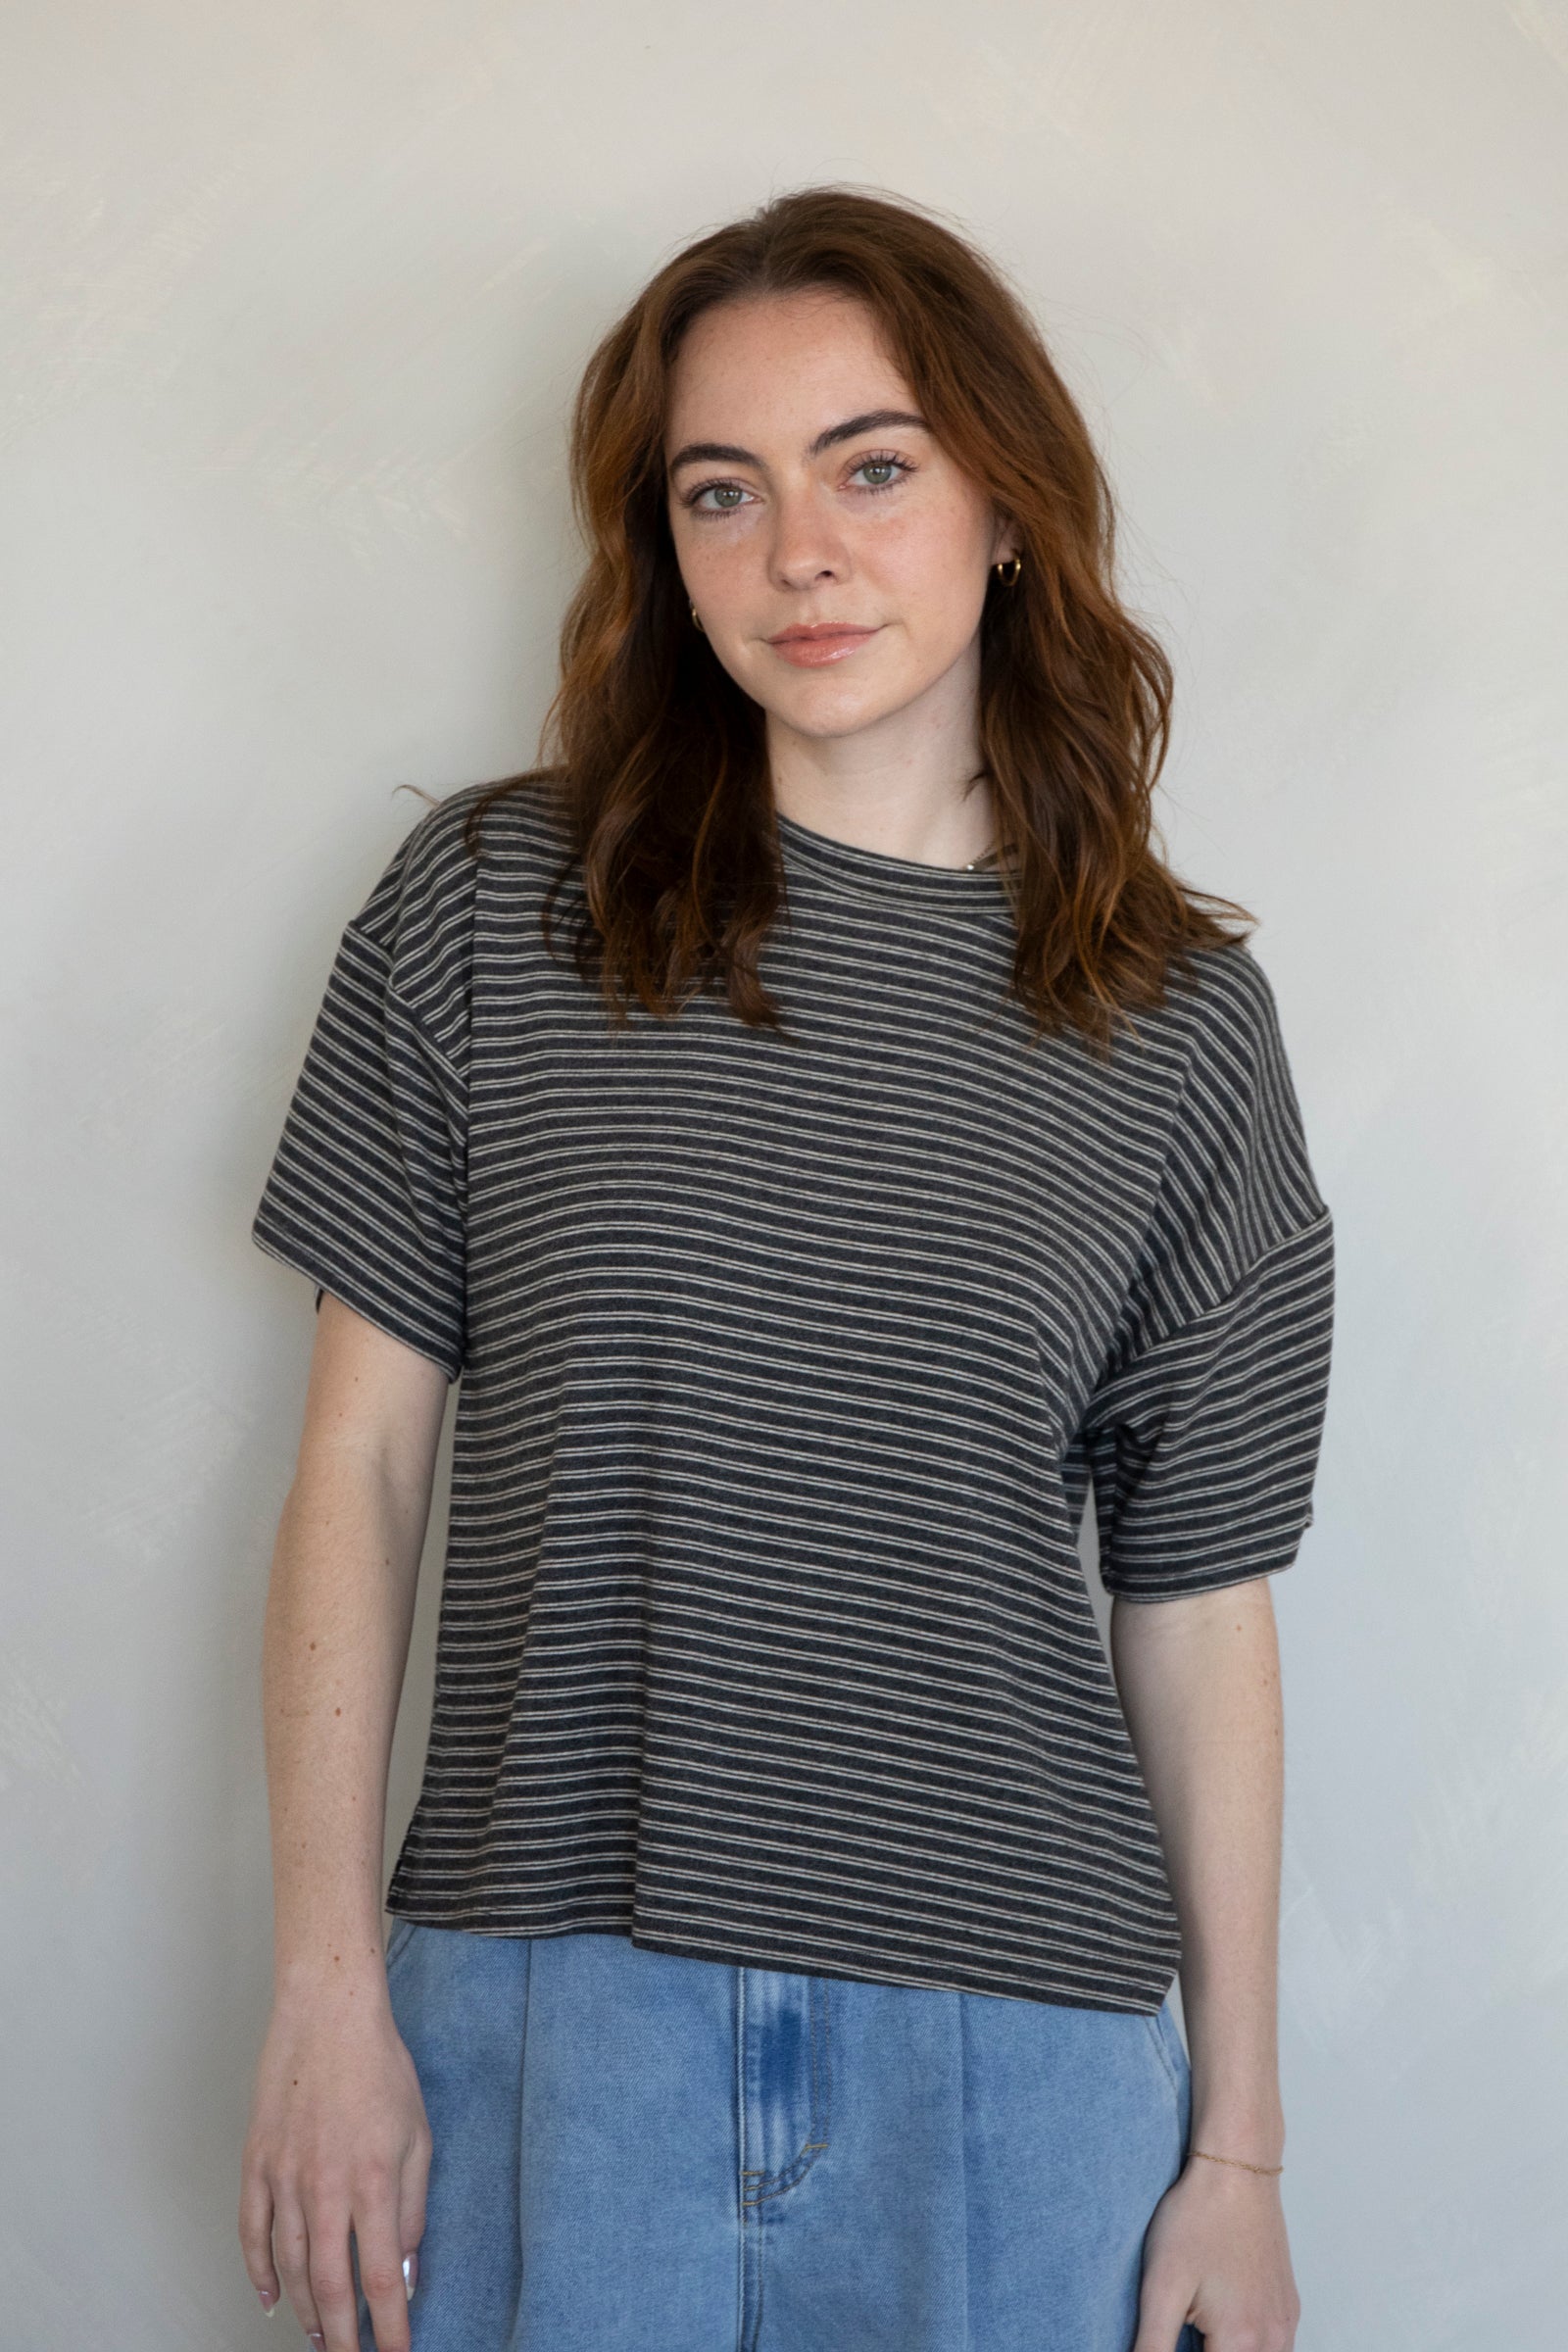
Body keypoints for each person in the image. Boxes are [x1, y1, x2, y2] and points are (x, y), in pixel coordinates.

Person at [237, 186, 1333, 2352]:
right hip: (550, 2017)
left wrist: (1240, 2151)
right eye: (718, 492)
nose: (798, 554)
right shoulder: (494, 909)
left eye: (872, 468)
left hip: (1015, 2058)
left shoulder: (1177, 1026)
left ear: (1005, 506)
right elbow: (358, 1468)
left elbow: (1199, 1605)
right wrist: (324, 1992)